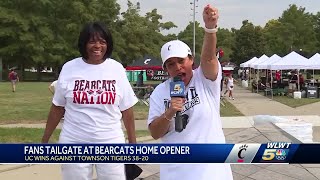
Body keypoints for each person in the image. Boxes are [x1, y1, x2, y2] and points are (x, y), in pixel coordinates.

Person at [41, 22, 138, 180]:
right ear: (84, 43)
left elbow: (127, 110)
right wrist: (44, 140)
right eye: (92, 41)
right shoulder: (69, 68)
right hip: (74, 141)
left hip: (110, 141)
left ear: (108, 44)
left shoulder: (116, 69)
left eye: (102, 41)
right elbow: (57, 108)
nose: (97, 46)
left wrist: (133, 146)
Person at [147, 5, 233, 180]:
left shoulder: (204, 79)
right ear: (165, 69)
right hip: (175, 172)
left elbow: (208, 58)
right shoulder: (160, 92)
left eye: (181, 61)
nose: (177, 67)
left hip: (211, 171)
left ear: (191, 60)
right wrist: (170, 112)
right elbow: (155, 133)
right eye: (171, 64)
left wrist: (210, 28)